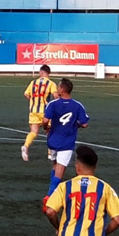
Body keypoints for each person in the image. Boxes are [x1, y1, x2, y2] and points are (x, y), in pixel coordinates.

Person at [41, 78, 89, 211]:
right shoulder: (77, 105)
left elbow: (45, 120)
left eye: (58, 87)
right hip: (66, 143)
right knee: (60, 171)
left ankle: (51, 190)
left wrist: (46, 127)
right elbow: (85, 123)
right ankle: (50, 197)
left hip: (52, 141)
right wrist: (76, 125)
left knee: (55, 165)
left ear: (62, 90)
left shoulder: (52, 104)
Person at [21, 64, 57, 162]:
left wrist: (33, 101)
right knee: (50, 131)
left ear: (41, 72)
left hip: (33, 111)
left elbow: (26, 94)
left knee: (33, 132)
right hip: (45, 111)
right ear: (48, 73)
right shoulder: (50, 83)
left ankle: (26, 146)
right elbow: (55, 96)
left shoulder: (33, 82)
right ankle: (50, 153)